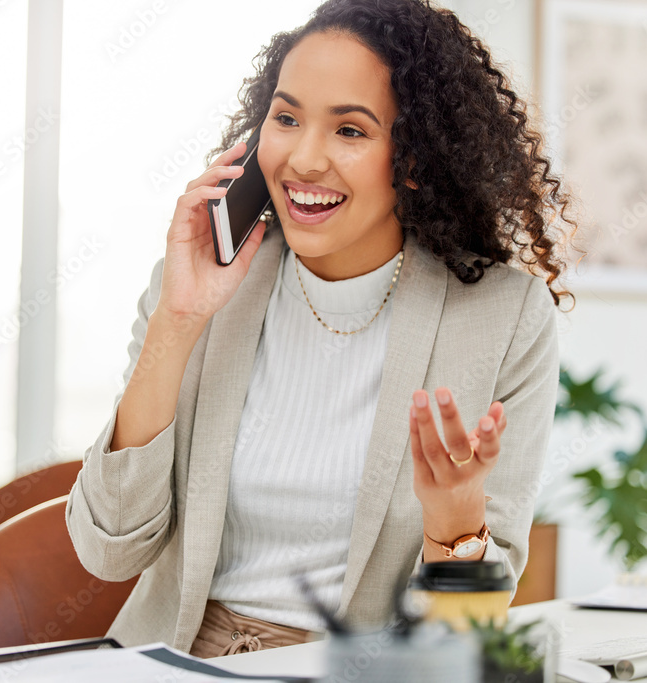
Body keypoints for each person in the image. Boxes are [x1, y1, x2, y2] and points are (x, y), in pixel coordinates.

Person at [66, 0, 574, 658]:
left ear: (415, 157)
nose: (303, 159)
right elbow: (108, 550)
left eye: (351, 131)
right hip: (176, 659)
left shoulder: (504, 318)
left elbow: (461, 633)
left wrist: (455, 520)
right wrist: (177, 323)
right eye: (286, 118)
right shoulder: (199, 287)